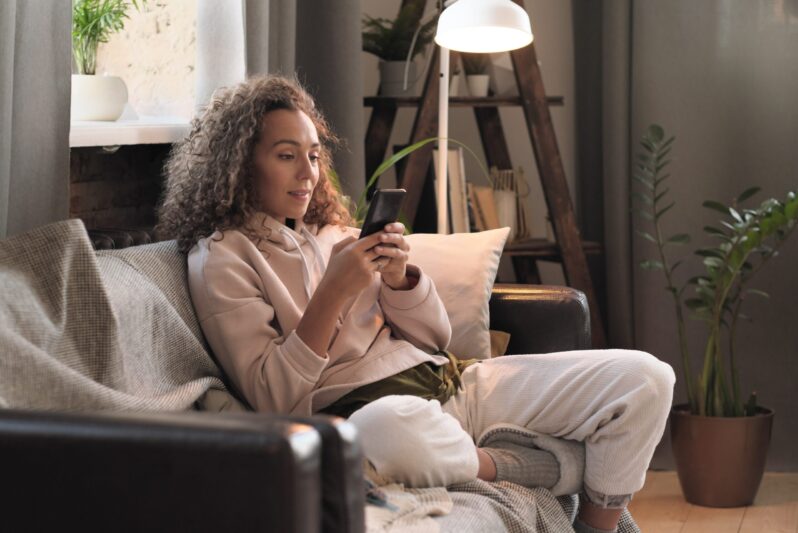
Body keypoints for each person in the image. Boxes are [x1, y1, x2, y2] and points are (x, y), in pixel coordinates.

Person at [156, 74, 675, 533]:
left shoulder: (330, 231)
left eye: (314, 155)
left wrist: (402, 281)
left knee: (648, 378)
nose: (308, 173)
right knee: (382, 430)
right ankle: (534, 466)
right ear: (241, 163)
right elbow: (274, 398)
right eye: (287, 155)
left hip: (455, 385)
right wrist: (333, 292)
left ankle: (597, 526)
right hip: (372, 416)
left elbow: (436, 340)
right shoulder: (223, 258)